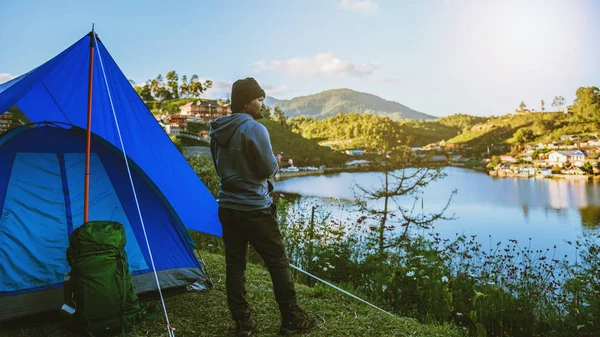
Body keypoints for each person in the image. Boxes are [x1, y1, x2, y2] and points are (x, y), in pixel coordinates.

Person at [209, 77, 319, 336]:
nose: (261, 105)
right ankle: (291, 319)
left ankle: (242, 321)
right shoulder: (255, 129)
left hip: (227, 206)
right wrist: (277, 161)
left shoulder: (217, 131)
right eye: (259, 100)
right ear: (247, 103)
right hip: (254, 209)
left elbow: (220, 168)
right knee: (278, 263)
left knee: (235, 265)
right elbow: (267, 170)